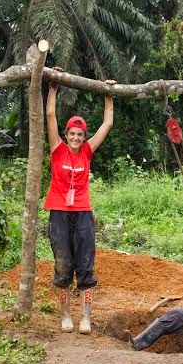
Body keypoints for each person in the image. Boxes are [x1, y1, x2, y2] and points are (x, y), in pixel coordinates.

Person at [44, 80, 114, 334]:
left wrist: (108, 94)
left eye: (80, 135)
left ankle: (85, 318)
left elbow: (107, 124)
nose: (75, 138)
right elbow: (50, 114)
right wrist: (53, 88)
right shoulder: (57, 149)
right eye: (72, 134)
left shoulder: (87, 151)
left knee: (85, 266)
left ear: (84, 137)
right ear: (66, 135)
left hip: (83, 214)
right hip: (59, 214)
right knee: (63, 266)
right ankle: (65, 317)